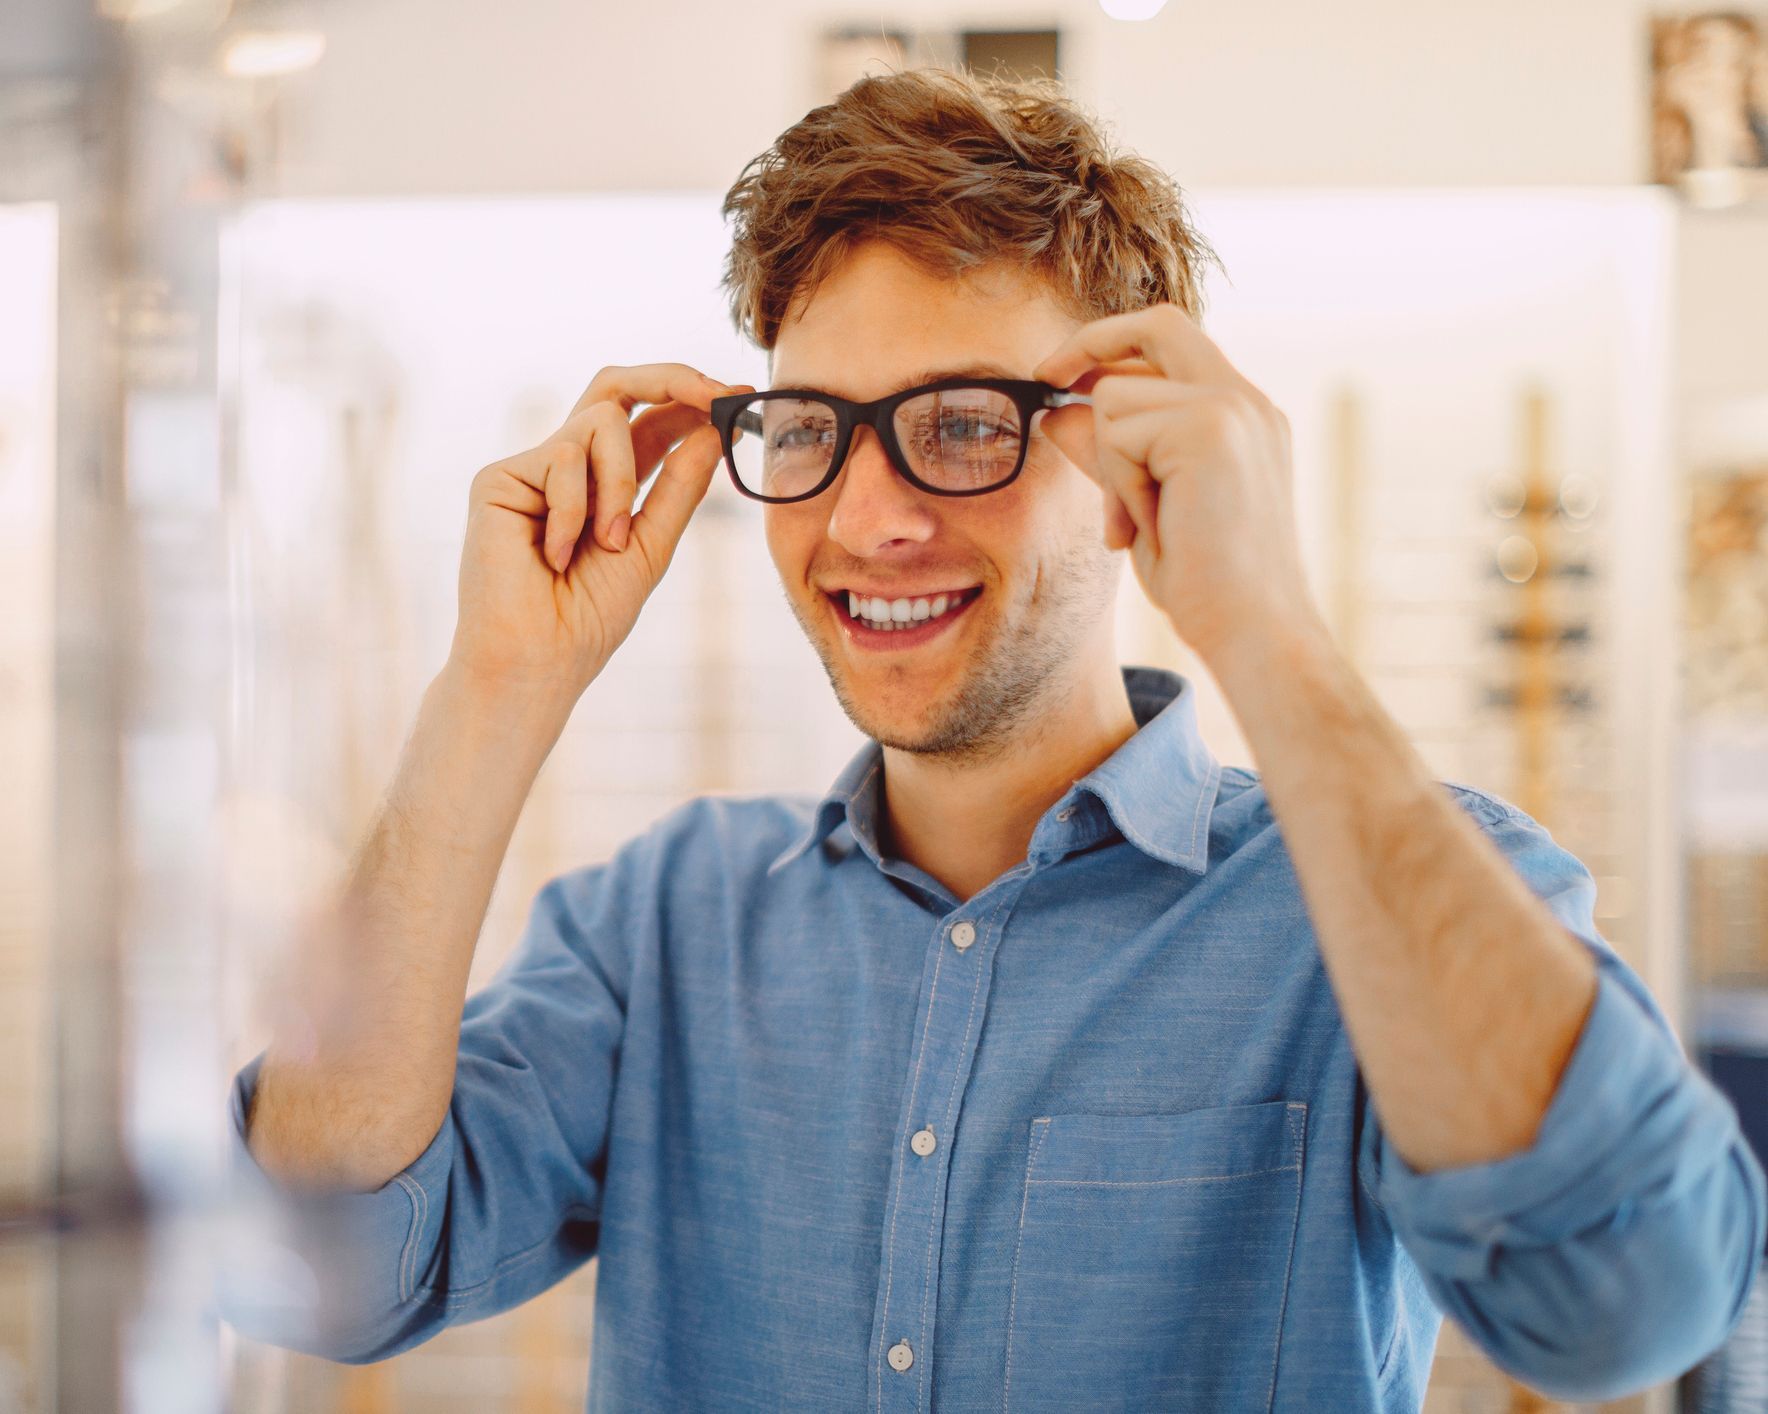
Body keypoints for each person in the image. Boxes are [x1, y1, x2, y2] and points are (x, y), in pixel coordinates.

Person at [221, 68, 1766, 1410]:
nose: (872, 519)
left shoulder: (1398, 906)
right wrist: (496, 688)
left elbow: (1630, 1301)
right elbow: (318, 1271)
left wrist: (1265, 624)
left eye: (965, 422)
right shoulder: (664, 927)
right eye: (812, 429)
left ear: (1131, 441)